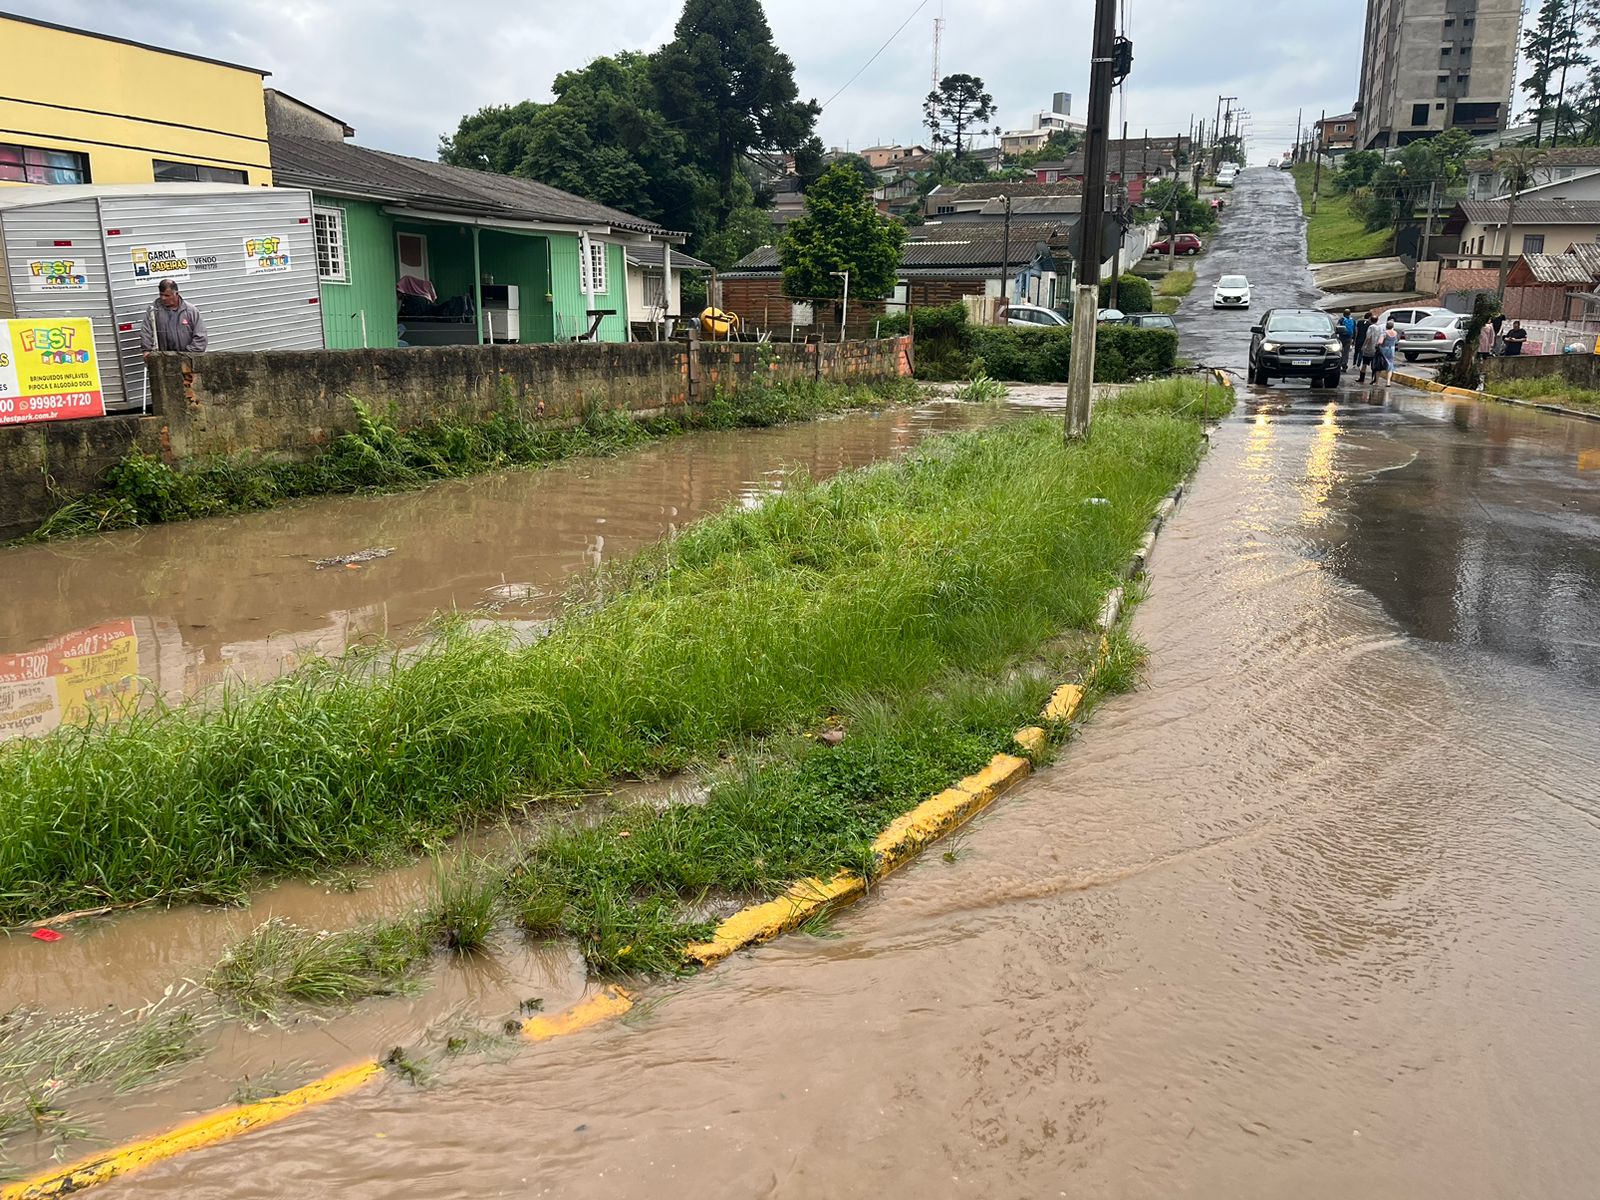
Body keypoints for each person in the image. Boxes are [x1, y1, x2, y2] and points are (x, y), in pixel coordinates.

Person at [139, 279, 209, 357]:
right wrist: (147, 350)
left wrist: (187, 355)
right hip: (164, 359)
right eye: (161, 294)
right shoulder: (154, 310)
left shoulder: (190, 311)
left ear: (176, 294)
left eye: (167, 295)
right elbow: (146, 331)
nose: (163, 298)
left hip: (187, 358)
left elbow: (200, 336)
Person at [1357, 318, 1381, 383]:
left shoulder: (1371, 327)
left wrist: (1364, 345)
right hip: (1376, 348)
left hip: (1369, 348)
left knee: (1364, 364)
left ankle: (1361, 378)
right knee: (1374, 365)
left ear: (1370, 320)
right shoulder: (1379, 327)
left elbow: (1368, 337)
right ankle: (1374, 379)